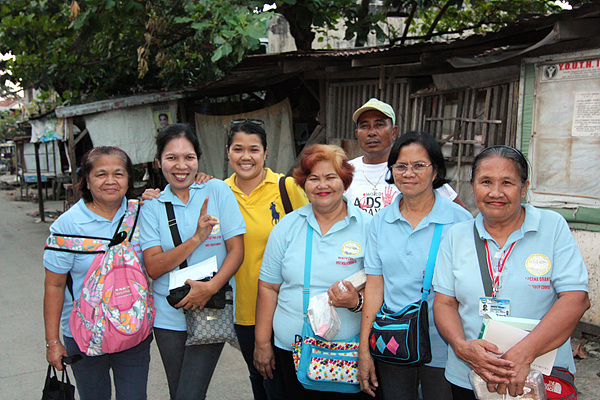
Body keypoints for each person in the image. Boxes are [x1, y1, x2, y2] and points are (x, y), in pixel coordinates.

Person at [432, 145, 590, 399]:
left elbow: (576, 299)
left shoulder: (552, 227)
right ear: (473, 186)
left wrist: (523, 354)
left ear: (524, 188)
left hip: (539, 374)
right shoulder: (456, 236)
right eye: (486, 182)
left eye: (507, 182)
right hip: (471, 375)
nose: (496, 192)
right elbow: (444, 303)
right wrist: (462, 348)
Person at [358, 132, 472, 399]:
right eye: (401, 166)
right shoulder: (380, 222)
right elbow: (375, 287)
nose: (409, 173)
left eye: (419, 165)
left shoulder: (460, 221)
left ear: (435, 172)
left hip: (446, 348)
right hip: (394, 343)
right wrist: (364, 349)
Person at [254, 144, 372, 400]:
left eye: (330, 177)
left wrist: (357, 302)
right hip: (290, 349)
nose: (322, 185)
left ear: (345, 181)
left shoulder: (368, 227)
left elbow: (380, 288)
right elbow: (268, 286)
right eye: (313, 178)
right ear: (303, 184)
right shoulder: (286, 227)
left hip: (348, 350)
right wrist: (262, 342)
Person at [138, 124, 246, 400]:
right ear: (159, 161)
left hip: (211, 305)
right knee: (181, 393)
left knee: (189, 393)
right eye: (171, 157)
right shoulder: (152, 205)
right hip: (167, 314)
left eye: (188, 157)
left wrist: (210, 289)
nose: (180, 165)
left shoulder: (217, 190)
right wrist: (197, 238)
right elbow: (154, 266)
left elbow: (236, 251)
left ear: (198, 159)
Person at [43, 146, 153, 400]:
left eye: (119, 173)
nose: (111, 181)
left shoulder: (143, 213)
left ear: (129, 180)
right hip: (83, 336)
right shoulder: (67, 226)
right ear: (87, 180)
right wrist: (53, 342)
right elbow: (54, 286)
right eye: (101, 174)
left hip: (133, 331)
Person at [224, 119, 308, 400]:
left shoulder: (287, 188)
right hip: (244, 309)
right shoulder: (219, 192)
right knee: (259, 375)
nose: (246, 157)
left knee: (287, 383)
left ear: (265, 152)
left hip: (286, 308)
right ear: (228, 152)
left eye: (253, 149)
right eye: (238, 149)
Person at [345, 98, 466, 215]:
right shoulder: (344, 171)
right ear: (357, 134)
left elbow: (459, 212)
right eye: (365, 126)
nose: (372, 133)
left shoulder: (416, 170)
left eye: (379, 125)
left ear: (394, 132)